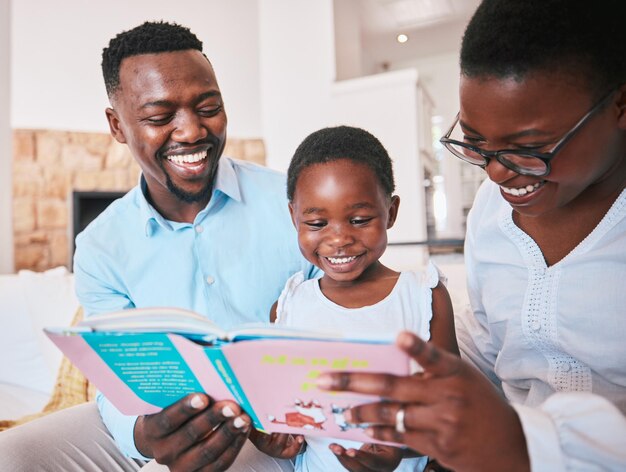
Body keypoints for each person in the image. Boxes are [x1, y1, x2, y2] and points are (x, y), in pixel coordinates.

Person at [314, 1, 626, 471]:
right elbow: (491, 351)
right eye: (477, 143)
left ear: (619, 105)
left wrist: (523, 446)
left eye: (529, 149)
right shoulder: (491, 210)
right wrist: (415, 429)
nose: (498, 173)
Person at [0, 21, 318, 471]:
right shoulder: (100, 246)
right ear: (117, 126)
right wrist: (144, 436)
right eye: (158, 117)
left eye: (208, 107)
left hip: (277, 420)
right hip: (157, 419)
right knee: (13, 455)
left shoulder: (295, 203)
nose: (191, 132)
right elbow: (114, 381)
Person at [248, 126, 458, 471]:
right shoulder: (289, 307)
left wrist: (398, 449)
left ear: (390, 212)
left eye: (359, 220)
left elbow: (453, 413)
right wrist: (279, 437)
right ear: (293, 217)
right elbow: (293, 415)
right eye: (316, 223)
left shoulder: (423, 297)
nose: (339, 240)